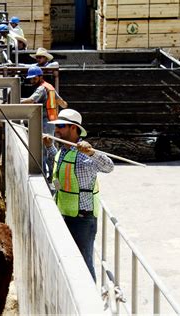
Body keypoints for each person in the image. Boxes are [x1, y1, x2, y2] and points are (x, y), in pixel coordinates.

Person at [42, 109, 114, 281]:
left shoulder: (85, 155)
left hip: (82, 218)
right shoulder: (63, 150)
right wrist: (49, 147)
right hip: (64, 213)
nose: (56, 130)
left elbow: (109, 167)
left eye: (60, 126)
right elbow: (58, 163)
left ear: (74, 128)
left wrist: (92, 153)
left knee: (84, 262)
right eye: (56, 126)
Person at [22, 65, 67, 179]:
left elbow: (32, 100)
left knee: (43, 150)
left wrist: (15, 101)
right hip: (52, 122)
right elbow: (62, 103)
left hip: (44, 122)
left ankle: (46, 174)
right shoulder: (49, 87)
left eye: (34, 78)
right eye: (31, 79)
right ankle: (53, 174)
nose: (32, 81)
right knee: (48, 147)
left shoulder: (41, 88)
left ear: (40, 77)